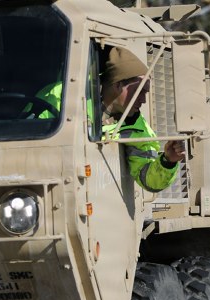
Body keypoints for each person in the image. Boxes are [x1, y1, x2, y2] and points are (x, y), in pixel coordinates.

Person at [30, 47, 184, 192]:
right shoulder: (62, 99)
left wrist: (168, 161)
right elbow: (33, 150)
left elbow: (146, 177)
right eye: (139, 91)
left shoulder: (137, 126)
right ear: (117, 85)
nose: (144, 100)